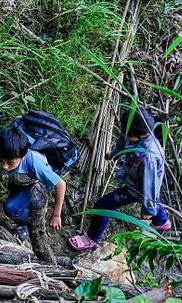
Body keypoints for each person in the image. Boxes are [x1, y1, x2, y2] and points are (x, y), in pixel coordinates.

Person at [68, 107, 171, 251]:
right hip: (135, 179)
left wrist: (147, 210)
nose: (122, 130)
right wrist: (114, 154)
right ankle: (162, 222)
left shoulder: (149, 158)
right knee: (153, 199)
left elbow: (149, 187)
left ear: (140, 135)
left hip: (139, 187)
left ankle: (91, 238)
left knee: (103, 205)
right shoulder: (131, 131)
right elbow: (123, 143)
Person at [0, 125, 66, 240]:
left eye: (10, 163)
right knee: (16, 202)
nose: (5, 166)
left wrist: (56, 215)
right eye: (1, 160)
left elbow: (60, 184)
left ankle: (32, 224)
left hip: (36, 184)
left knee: (11, 208)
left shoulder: (34, 163)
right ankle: (27, 214)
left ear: (22, 157)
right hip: (20, 179)